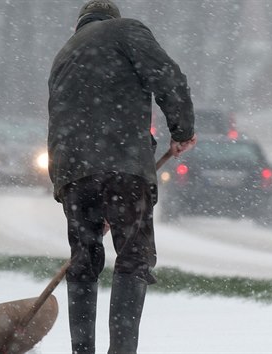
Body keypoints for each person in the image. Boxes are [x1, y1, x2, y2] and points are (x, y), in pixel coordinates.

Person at [47, 1, 197, 353]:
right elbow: (167, 76)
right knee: (133, 259)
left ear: (80, 24)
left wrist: (69, 190)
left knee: (83, 263)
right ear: (111, 18)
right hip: (123, 169)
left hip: (73, 173)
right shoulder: (126, 30)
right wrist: (182, 129)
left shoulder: (63, 55)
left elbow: (57, 125)